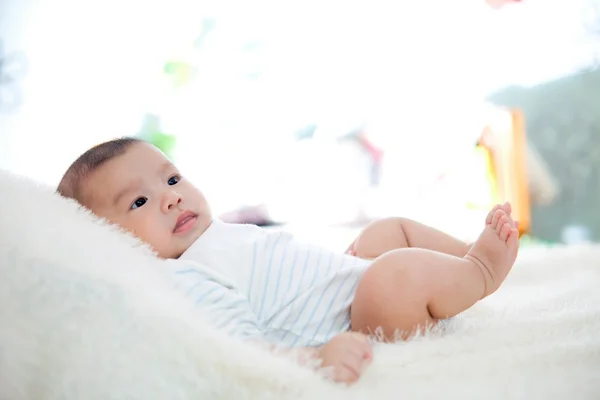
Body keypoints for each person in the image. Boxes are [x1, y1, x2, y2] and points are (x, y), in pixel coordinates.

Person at [57, 137, 519, 384]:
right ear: (106, 241)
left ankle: (459, 256)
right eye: (138, 202)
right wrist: (313, 359)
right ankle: (479, 271)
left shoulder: (211, 236)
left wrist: (343, 268)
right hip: (362, 323)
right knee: (393, 275)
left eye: (172, 179)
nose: (171, 199)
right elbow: (239, 349)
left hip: (348, 284)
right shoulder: (181, 276)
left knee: (386, 231)